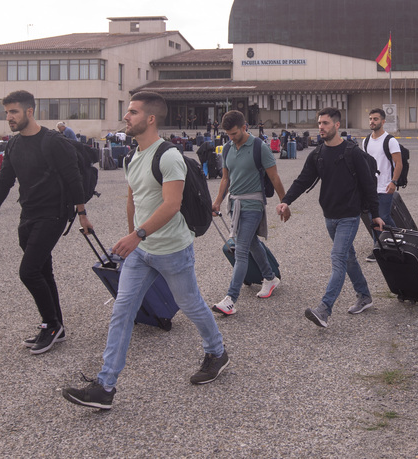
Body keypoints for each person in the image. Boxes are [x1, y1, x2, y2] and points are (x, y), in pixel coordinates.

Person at [62, 91, 229, 410]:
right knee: (122, 310)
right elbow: (133, 200)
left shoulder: (168, 156)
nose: (126, 117)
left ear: (150, 119)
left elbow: (172, 204)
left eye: (133, 113)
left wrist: (136, 236)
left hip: (172, 249)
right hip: (141, 252)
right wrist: (131, 239)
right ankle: (105, 386)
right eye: (127, 112)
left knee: (190, 303)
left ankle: (217, 352)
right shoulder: (130, 156)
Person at [0, 90, 94, 355]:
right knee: (43, 272)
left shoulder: (53, 142)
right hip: (28, 214)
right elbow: (5, 180)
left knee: (28, 272)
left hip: (53, 214)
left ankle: (50, 324)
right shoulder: (14, 144)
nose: (9, 117)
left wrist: (82, 213)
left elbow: (73, 178)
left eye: (14, 112)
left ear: (29, 112)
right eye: (7, 112)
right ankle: (58, 327)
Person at [276, 107, 383, 328]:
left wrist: (376, 216)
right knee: (349, 257)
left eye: (325, 123)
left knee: (338, 259)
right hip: (329, 216)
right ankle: (364, 296)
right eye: (319, 124)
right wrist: (286, 200)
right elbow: (302, 180)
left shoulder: (352, 153)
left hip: (349, 216)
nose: (321, 127)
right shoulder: (318, 154)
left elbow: (369, 186)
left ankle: (324, 310)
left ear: (336, 126)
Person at [211, 110, 286, 316]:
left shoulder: (259, 147)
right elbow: (225, 179)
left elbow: (274, 177)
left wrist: (284, 202)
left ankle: (230, 299)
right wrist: (217, 202)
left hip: (253, 205)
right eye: (228, 134)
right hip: (234, 205)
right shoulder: (227, 148)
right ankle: (270, 278)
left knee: (241, 249)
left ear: (245, 127)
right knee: (252, 242)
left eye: (234, 133)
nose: (232, 138)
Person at [361, 108, 402, 261]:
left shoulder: (390, 140)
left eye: (376, 119)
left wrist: (394, 182)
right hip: (370, 187)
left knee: (382, 216)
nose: (372, 121)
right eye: (371, 119)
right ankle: (395, 238)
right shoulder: (365, 141)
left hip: (385, 186)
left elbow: (399, 164)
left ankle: (379, 248)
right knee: (374, 218)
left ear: (383, 121)